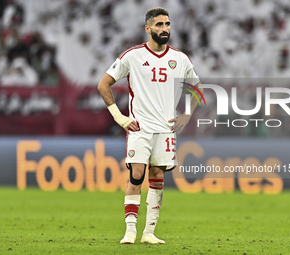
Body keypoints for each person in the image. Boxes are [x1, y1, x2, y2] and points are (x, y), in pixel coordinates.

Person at [98, 7, 202, 244]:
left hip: (166, 130)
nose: (164, 29)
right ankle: (130, 231)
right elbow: (104, 85)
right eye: (159, 25)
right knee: (136, 174)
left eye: (167, 24)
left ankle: (149, 233)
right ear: (148, 28)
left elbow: (198, 90)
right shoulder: (132, 56)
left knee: (158, 177)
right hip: (140, 128)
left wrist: (186, 115)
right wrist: (119, 117)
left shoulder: (180, 58)